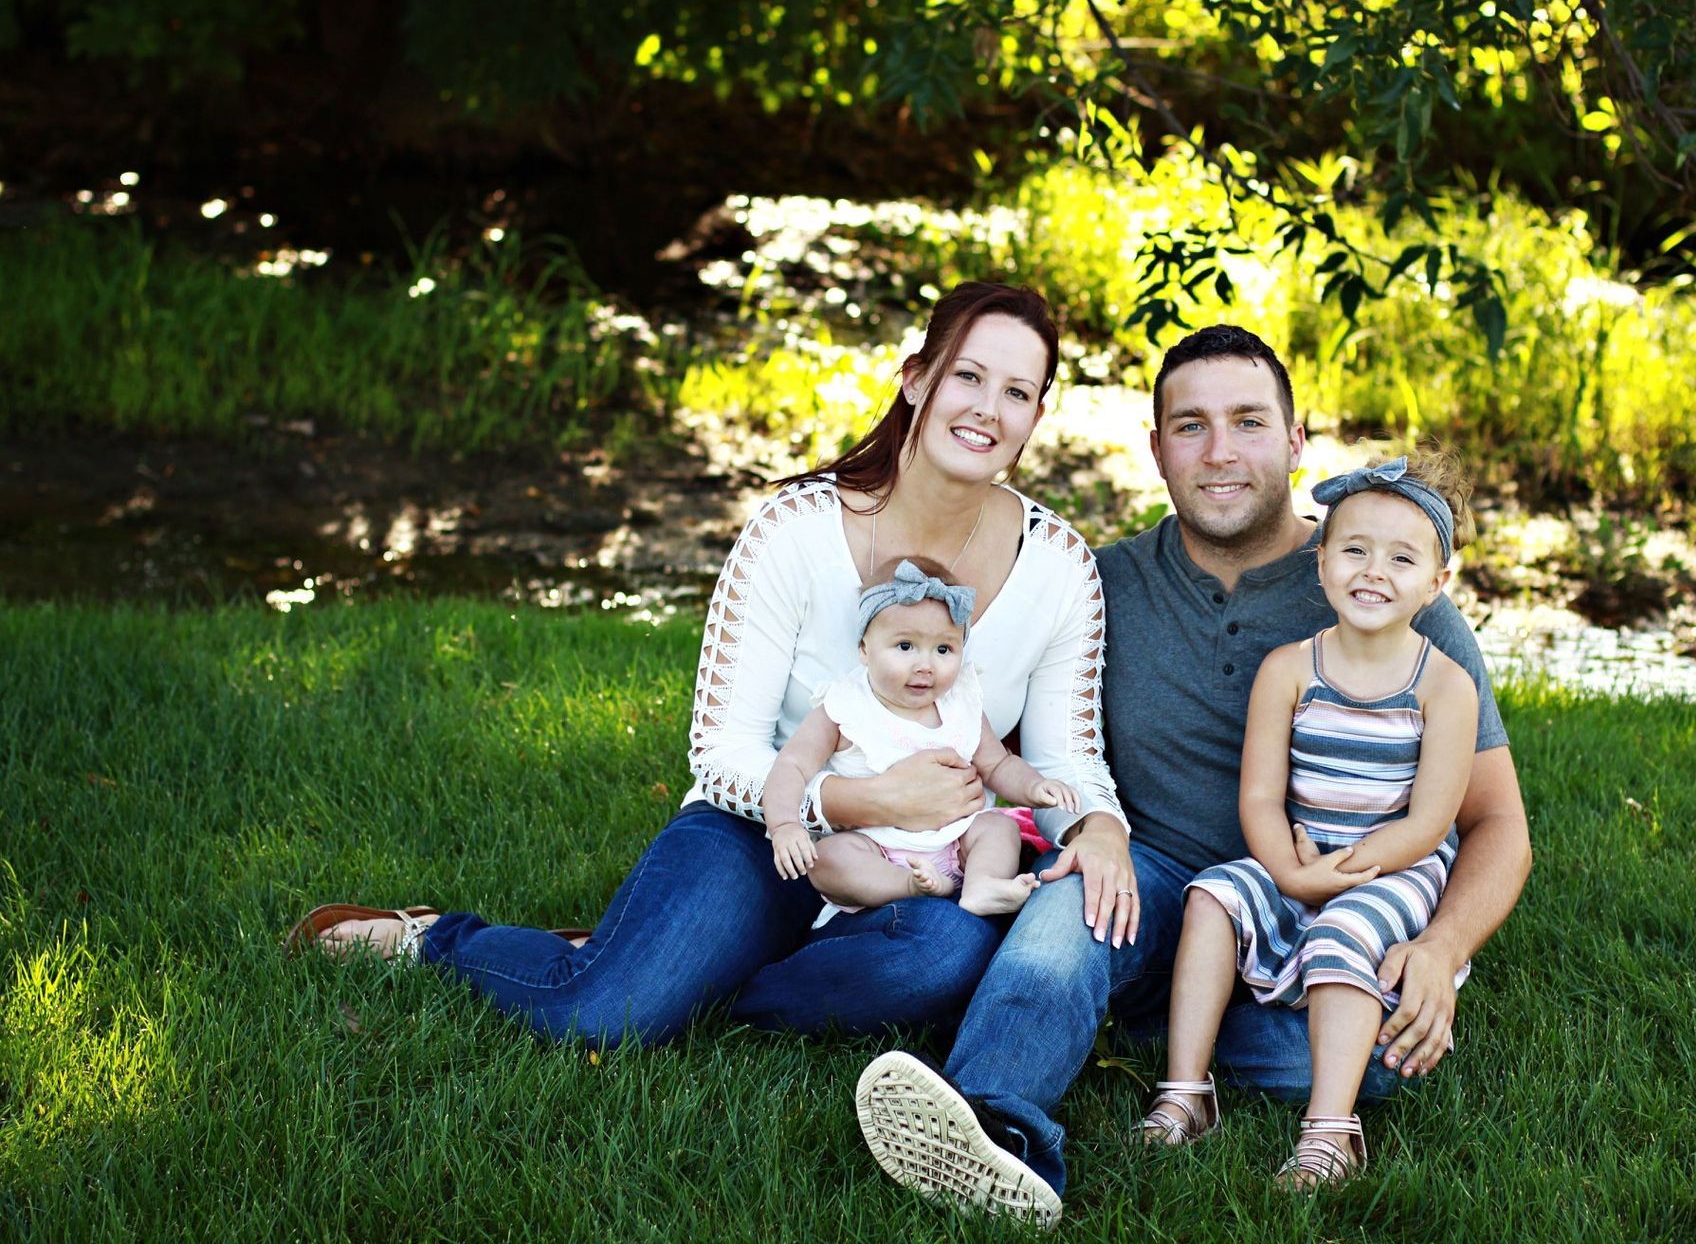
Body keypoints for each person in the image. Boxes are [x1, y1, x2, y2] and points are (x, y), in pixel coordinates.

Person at [285, 281, 1126, 1047]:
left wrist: (1098, 831)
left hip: (919, 866)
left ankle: (699, 983)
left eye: (1017, 392)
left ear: (1036, 415)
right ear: (916, 380)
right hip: (759, 834)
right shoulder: (794, 529)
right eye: (967, 377)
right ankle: (441, 939)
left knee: (938, 959)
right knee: (604, 1016)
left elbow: (1063, 758)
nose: (987, 409)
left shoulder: (1057, 565)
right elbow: (722, 755)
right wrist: (859, 797)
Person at [852, 325, 1531, 1227]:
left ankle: (1149, 1031)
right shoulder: (1101, 585)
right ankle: (991, 1130)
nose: (1220, 452)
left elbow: (1498, 825)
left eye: (1249, 422)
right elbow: (1004, 743)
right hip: (1153, 877)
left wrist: (1443, 951)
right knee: (1066, 923)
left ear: (1295, 442)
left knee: (1373, 1058)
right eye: (1191, 426)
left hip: (1342, 898)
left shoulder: (1383, 587)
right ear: (1157, 449)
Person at [1137, 449, 1479, 1192]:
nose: (1372, 571)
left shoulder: (1443, 686)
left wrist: (1345, 877)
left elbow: (1431, 820)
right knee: (1211, 898)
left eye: (1400, 558)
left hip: (1399, 865)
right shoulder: (1290, 669)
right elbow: (1260, 797)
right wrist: (1292, 873)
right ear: (1320, 564)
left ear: (1436, 584)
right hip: (1300, 851)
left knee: (1342, 932)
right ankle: (1187, 1093)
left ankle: (1331, 1134)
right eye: (1353, 549)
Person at [763, 555, 1079, 921]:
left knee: (999, 826)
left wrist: (1035, 787)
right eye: (905, 646)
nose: (924, 665)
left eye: (943, 649)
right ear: (865, 649)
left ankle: (983, 884)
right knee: (828, 860)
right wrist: (784, 824)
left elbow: (998, 764)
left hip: (957, 840)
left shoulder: (961, 703)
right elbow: (791, 765)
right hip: (876, 846)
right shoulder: (844, 707)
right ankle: (910, 886)